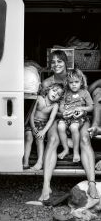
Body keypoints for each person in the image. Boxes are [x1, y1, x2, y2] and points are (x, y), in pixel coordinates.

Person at [38, 50, 98, 202]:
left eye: (59, 61)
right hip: (59, 118)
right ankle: (46, 185)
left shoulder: (74, 77)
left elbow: (88, 100)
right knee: (52, 140)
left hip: (79, 117)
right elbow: (45, 107)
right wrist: (60, 115)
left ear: (66, 63)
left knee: (85, 139)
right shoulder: (47, 83)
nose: (56, 64)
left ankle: (91, 183)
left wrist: (81, 111)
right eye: (53, 62)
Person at [23, 83, 64, 170]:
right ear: (48, 90)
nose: (55, 94)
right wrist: (33, 128)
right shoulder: (39, 98)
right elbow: (31, 113)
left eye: (58, 94)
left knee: (40, 139)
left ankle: (40, 161)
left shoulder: (55, 105)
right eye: (54, 91)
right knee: (28, 137)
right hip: (31, 122)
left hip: (42, 125)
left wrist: (43, 131)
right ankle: (25, 162)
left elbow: (51, 119)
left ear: (60, 98)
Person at [58, 69, 93, 163]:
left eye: (76, 82)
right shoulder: (66, 93)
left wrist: (82, 109)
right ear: (67, 83)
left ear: (81, 82)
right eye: (71, 82)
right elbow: (61, 106)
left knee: (74, 127)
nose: (74, 84)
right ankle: (66, 149)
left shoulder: (85, 92)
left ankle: (76, 152)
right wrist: (63, 112)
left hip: (79, 117)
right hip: (67, 116)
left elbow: (91, 107)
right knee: (60, 126)